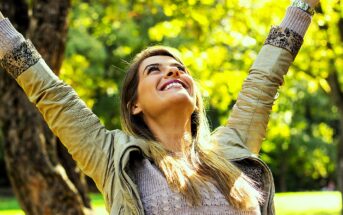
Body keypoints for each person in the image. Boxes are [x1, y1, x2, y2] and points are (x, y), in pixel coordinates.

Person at [0, 0, 319, 214]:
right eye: (154, 69)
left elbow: (264, 81)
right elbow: (50, 91)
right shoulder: (110, 156)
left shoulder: (232, 148)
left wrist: (303, 6)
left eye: (180, 68)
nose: (173, 71)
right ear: (134, 105)